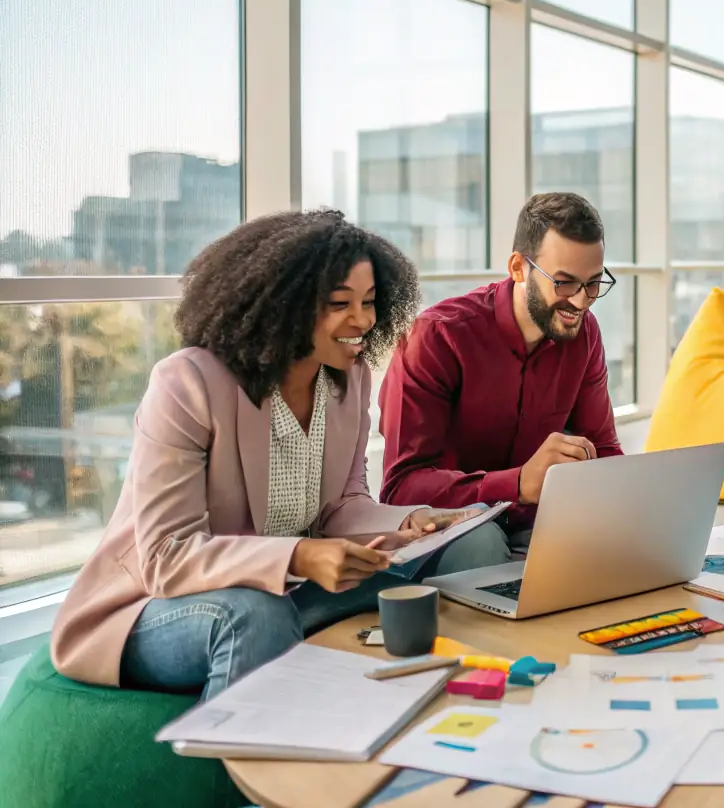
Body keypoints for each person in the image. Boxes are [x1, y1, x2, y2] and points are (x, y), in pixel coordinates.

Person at [50, 211, 489, 699]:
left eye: (369, 302)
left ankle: (462, 705)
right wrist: (299, 556)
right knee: (256, 614)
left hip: (280, 589)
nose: (363, 320)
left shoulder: (348, 379)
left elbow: (342, 506)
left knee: (466, 547)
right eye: (339, 303)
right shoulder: (188, 383)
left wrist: (415, 520)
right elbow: (167, 556)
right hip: (157, 605)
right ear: (285, 305)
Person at [379, 192, 622, 566]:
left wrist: (635, 502)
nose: (581, 301)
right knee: (483, 542)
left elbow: (603, 451)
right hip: (451, 525)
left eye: (593, 283)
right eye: (564, 283)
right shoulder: (437, 337)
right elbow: (399, 488)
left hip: (534, 522)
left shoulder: (584, 333)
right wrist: (518, 483)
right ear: (518, 267)